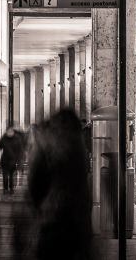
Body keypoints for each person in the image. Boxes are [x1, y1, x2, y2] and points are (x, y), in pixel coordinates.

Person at [28, 109, 92, 260]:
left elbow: (35, 181)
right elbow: (84, 176)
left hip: (53, 212)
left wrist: (39, 206)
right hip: (78, 214)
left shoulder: (46, 142)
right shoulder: (79, 144)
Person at [0, 125, 24, 194]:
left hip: (9, 161)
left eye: (10, 131)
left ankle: (8, 189)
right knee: (7, 176)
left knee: (10, 176)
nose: (9, 133)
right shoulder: (15, 139)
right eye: (8, 131)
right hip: (8, 161)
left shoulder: (6, 138)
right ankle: (8, 189)